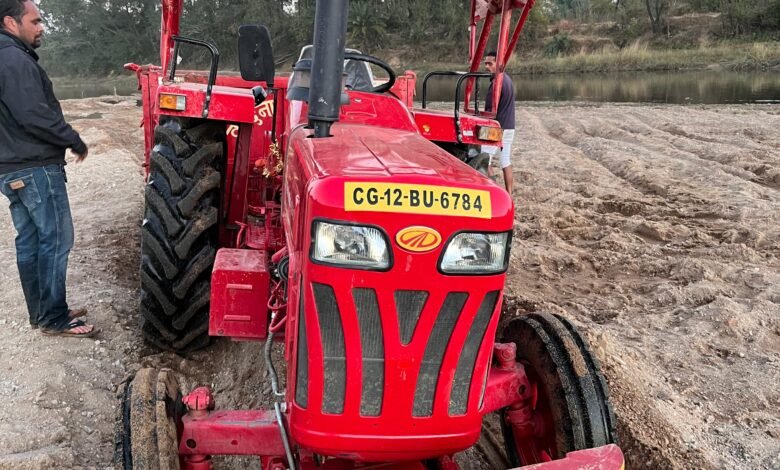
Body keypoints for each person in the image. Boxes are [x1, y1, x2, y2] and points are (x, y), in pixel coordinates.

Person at [0, 0, 97, 337]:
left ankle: (42, 312)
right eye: (35, 21)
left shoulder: (6, 57)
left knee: (30, 241)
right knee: (56, 239)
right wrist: (72, 138)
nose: (41, 27)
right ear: (11, 23)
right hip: (35, 167)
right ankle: (54, 317)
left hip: (12, 168)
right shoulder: (13, 59)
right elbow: (33, 114)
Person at [483, 50, 516, 194]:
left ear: (499, 64)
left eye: (490, 63)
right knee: (505, 161)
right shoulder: (508, 80)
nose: (487, 67)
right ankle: (509, 194)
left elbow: (490, 111)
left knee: (484, 160)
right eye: (485, 64)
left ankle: (493, 191)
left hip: (495, 128)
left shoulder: (496, 83)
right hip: (509, 127)